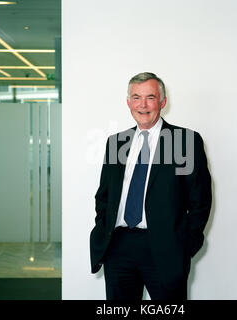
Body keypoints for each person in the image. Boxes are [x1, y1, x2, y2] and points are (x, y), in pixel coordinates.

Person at [90, 72, 212, 300]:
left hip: (166, 249)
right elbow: (104, 196)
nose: (143, 105)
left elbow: (200, 201)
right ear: (128, 102)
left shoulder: (184, 142)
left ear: (163, 102)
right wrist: (103, 229)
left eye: (150, 97)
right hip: (118, 247)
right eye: (136, 97)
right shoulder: (117, 142)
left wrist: (184, 246)